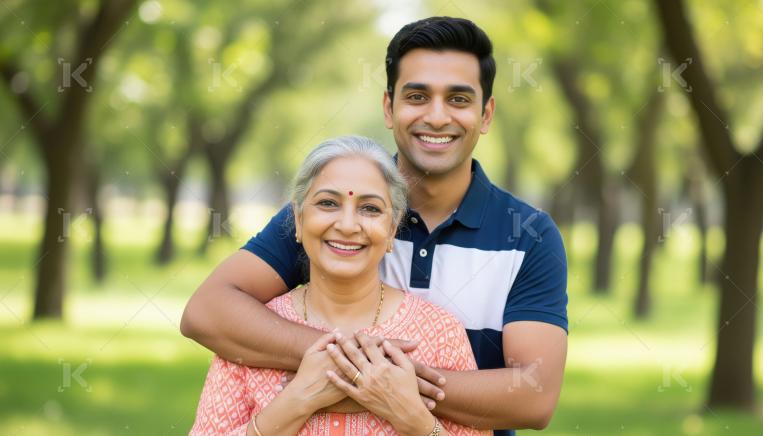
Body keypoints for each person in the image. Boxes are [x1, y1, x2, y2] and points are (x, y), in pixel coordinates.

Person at [182, 17, 568, 435]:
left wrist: (393, 384)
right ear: (389, 107)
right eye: (417, 96)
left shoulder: (528, 236)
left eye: (458, 99)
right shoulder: (331, 214)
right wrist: (348, 361)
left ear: (486, 114)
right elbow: (208, 312)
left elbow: (534, 396)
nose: (437, 116)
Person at [190, 136, 489, 435]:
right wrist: (296, 402)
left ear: (392, 227)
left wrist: (416, 421)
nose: (347, 225)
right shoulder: (252, 332)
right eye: (328, 203)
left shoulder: (439, 334)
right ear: (298, 218)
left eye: (370, 208)